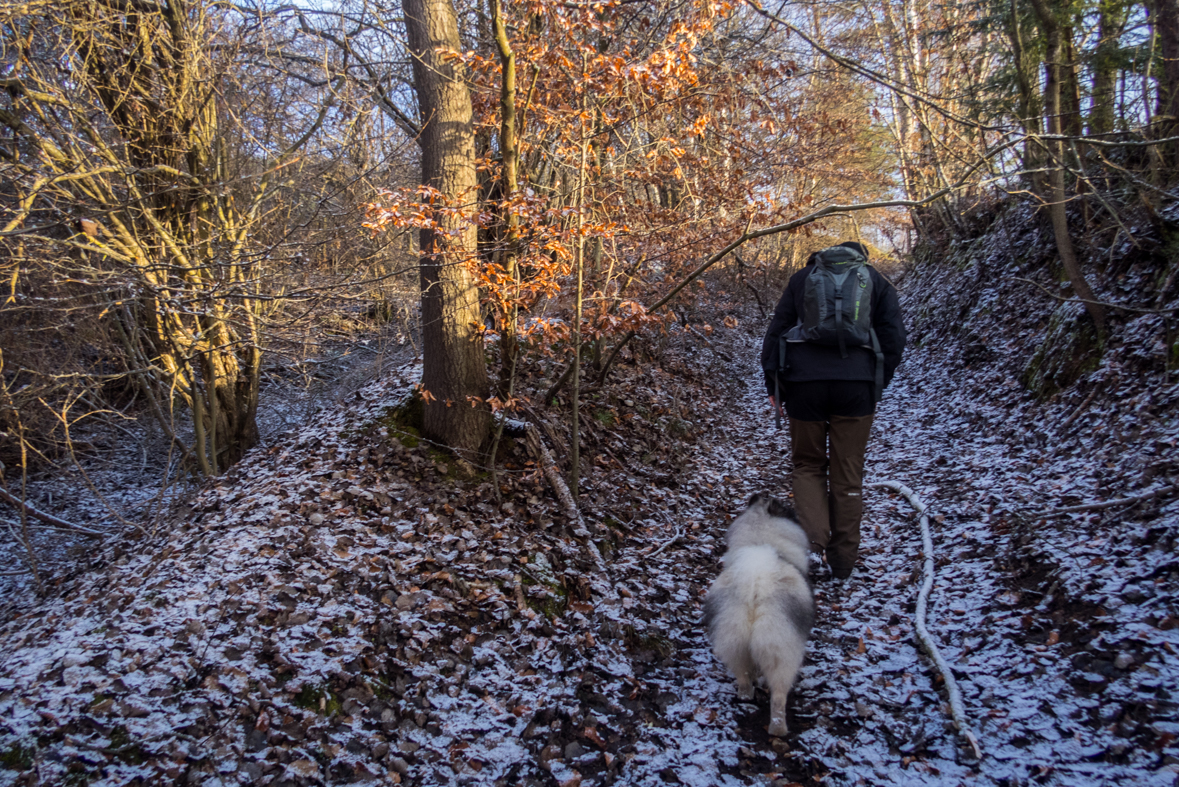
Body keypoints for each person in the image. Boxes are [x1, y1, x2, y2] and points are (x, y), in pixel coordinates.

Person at [760, 241, 906, 580]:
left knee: (808, 465)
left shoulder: (801, 279)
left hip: (804, 385)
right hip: (856, 387)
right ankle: (842, 563)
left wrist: (774, 386)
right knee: (848, 474)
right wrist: (876, 381)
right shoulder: (875, 280)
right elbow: (894, 337)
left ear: (818, 261)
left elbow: (777, 333)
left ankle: (813, 543)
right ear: (860, 258)